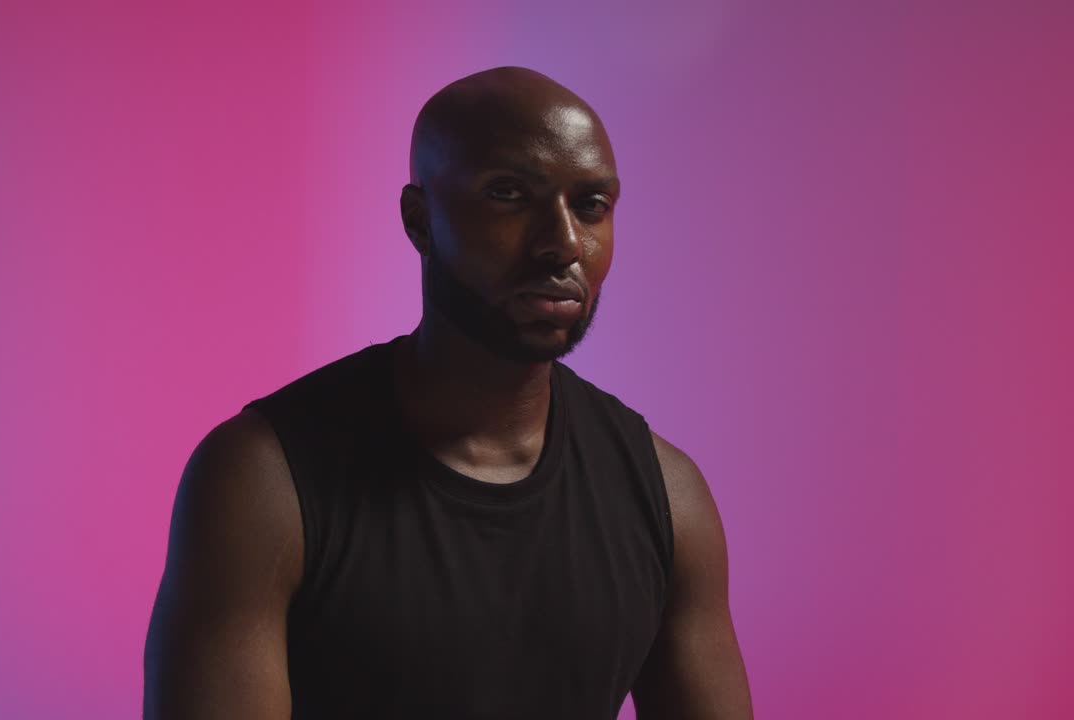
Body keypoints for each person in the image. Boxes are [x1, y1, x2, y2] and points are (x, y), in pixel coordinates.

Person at [144, 66, 753, 719]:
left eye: (591, 206)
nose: (563, 243)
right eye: (510, 194)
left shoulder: (666, 499)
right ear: (420, 219)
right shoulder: (262, 483)